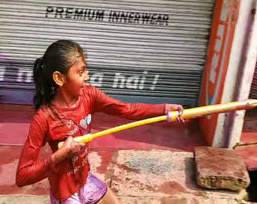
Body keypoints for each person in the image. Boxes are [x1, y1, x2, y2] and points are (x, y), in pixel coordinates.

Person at [16, 40, 184, 204]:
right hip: (66, 195)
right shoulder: (44, 117)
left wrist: (165, 109)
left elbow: (128, 109)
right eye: (80, 72)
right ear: (60, 79)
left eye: (85, 71)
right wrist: (59, 156)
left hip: (85, 181)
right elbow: (22, 176)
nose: (87, 77)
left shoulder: (90, 96)